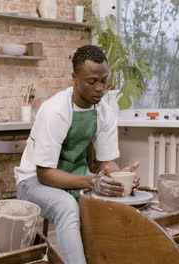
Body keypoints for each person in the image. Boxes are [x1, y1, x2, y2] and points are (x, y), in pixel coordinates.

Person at [14, 45, 140, 264]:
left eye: (104, 81)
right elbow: (45, 174)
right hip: (33, 181)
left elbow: (106, 161)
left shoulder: (103, 111)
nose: (100, 88)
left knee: (115, 204)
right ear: (74, 78)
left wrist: (121, 180)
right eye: (92, 81)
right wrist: (92, 182)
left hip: (77, 179)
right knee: (66, 207)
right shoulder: (55, 110)